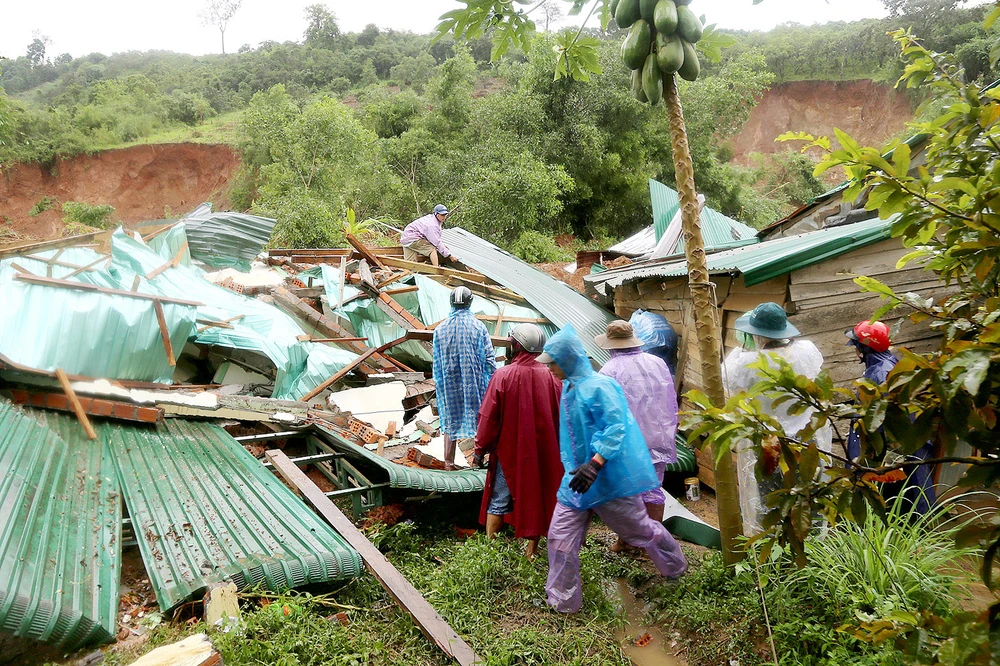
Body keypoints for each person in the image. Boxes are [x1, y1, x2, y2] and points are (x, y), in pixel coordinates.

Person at [537, 323, 687, 613]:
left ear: (567, 360)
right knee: (560, 541)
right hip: (576, 482)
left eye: (553, 363)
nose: (550, 369)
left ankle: (676, 568)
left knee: (642, 531)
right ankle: (563, 603)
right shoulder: (568, 386)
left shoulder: (601, 385)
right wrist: (580, 469)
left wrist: (595, 463)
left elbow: (616, 427)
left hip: (608, 481)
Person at [723, 302, 832, 535]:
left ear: (756, 335)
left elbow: (727, 376)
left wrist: (743, 347)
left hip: (770, 444)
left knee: (772, 499)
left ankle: (777, 552)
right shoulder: (807, 351)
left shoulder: (745, 364)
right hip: (807, 441)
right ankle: (813, 551)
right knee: (809, 498)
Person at [473, 323, 563, 559]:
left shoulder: (503, 375)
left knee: (498, 499)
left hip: (510, 452)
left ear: (516, 345)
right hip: (544, 452)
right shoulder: (553, 377)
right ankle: (530, 552)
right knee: (538, 497)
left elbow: (488, 417)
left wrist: (479, 450)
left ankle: (491, 552)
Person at [596, 320, 679, 553]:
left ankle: (626, 541)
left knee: (625, 493)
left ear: (611, 344)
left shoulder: (609, 371)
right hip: (658, 436)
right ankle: (650, 546)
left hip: (628, 443)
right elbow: (670, 399)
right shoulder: (658, 362)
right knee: (653, 490)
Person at [845, 320, 935, 514]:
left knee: (902, 503)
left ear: (864, 348)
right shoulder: (887, 363)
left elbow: (882, 422)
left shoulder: (880, 373)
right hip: (905, 445)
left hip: (892, 450)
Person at [432, 286, 496, 469]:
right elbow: (489, 359)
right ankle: (478, 460)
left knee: (451, 419)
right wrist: (493, 381)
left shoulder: (440, 329)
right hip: (475, 384)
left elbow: (436, 362)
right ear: (470, 302)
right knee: (480, 419)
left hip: (449, 383)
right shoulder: (479, 327)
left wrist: (440, 383)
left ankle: (448, 462)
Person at [628, 309, 680, 377]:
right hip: (669, 337)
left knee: (647, 365)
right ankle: (669, 377)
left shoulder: (634, 319)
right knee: (666, 362)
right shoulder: (651, 316)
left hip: (651, 339)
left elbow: (632, 337)